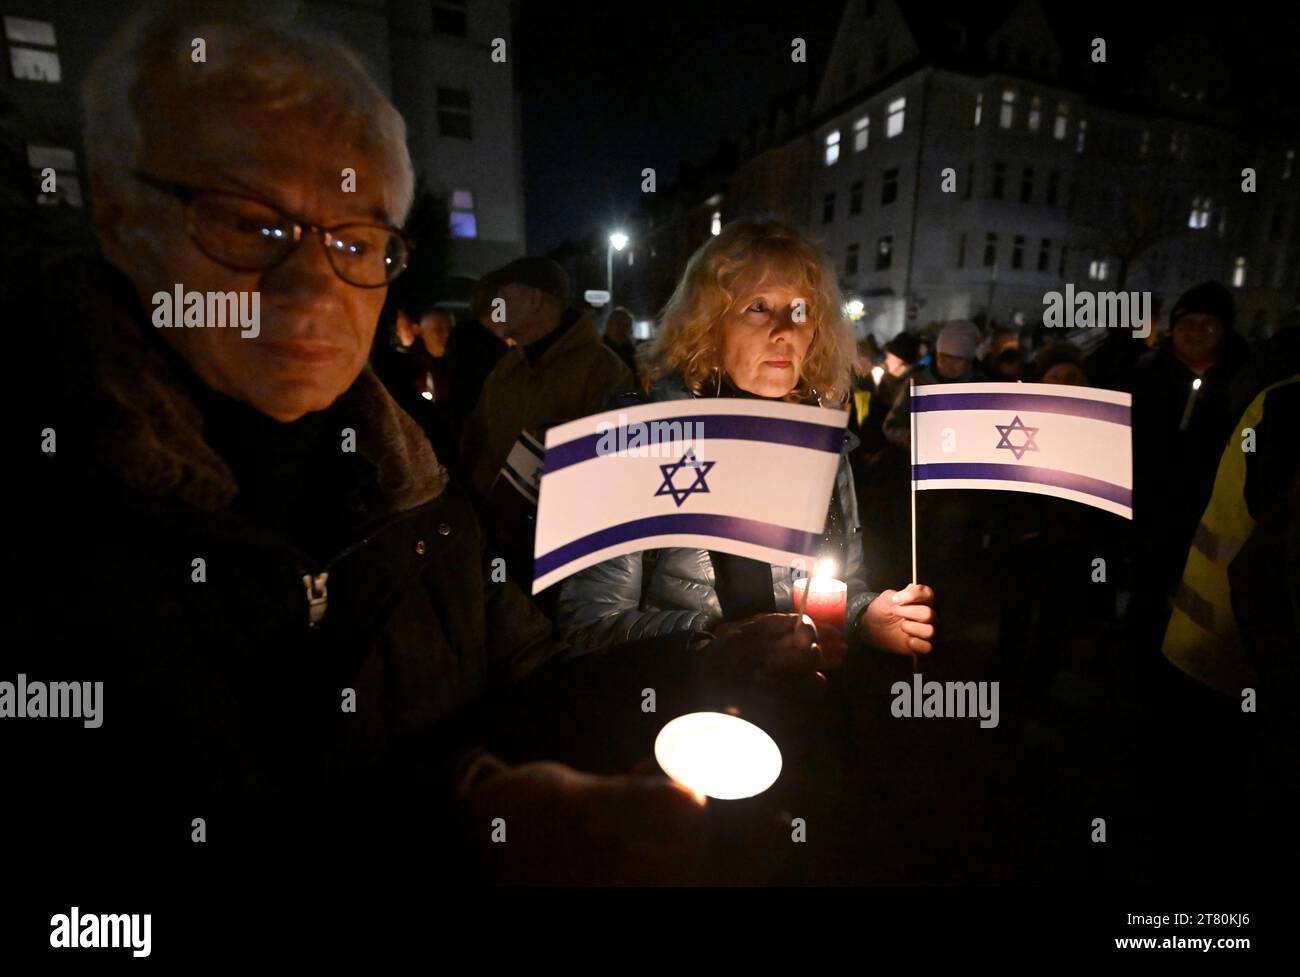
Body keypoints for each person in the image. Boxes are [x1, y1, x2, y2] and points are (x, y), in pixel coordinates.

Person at [11, 4, 715, 886]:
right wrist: (456, 815)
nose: (309, 288)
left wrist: (703, 658)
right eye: (245, 222)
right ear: (118, 215)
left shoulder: (416, 483)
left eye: (355, 241)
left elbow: (529, 678)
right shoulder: (44, 522)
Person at [556, 220, 935, 663]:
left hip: (802, 707)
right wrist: (717, 641)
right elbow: (588, 624)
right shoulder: (640, 434)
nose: (785, 330)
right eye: (758, 307)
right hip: (689, 715)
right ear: (708, 323)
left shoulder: (822, 439)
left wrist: (864, 616)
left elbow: (837, 584)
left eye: (801, 311)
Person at [882, 318, 984, 450]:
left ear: (969, 361)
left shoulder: (981, 388)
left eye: (956, 360)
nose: (948, 366)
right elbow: (891, 426)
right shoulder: (918, 383)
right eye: (943, 358)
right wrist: (912, 439)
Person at [603, 305, 639, 380]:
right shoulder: (600, 351)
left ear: (631, 330)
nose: (622, 329)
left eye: (626, 325)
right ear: (609, 326)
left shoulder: (634, 354)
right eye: (618, 324)